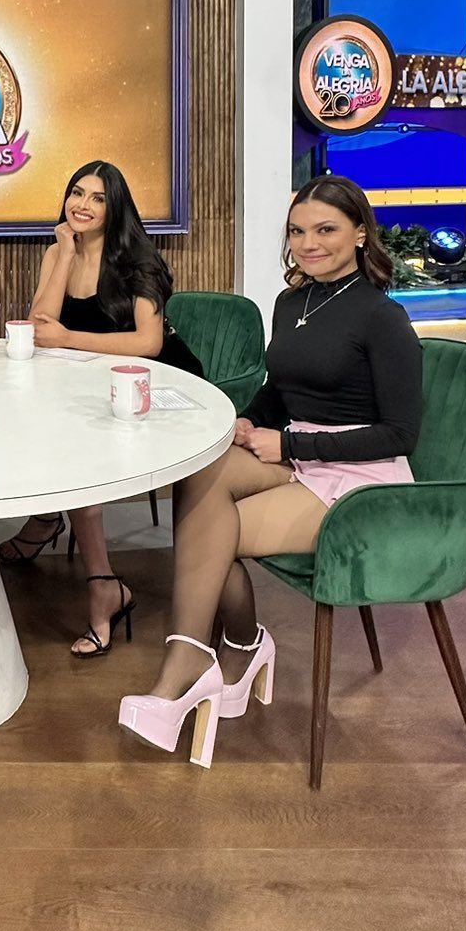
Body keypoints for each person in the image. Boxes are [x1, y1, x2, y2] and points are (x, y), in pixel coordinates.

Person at [118, 175, 422, 768]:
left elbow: (400, 434)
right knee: (199, 476)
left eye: (326, 230)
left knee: (214, 533)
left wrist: (287, 443)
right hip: (299, 452)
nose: (309, 244)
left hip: (359, 473)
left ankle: (196, 661)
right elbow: (278, 390)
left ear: (361, 233)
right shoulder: (291, 302)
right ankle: (239, 644)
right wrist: (248, 419)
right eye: (298, 231)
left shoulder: (382, 317)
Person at [0, 160, 201, 660]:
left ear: (115, 207)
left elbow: (149, 343)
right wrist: (65, 252)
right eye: (76, 193)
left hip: (158, 386)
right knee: (40, 425)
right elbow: (41, 325)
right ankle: (57, 527)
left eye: (97, 198)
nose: (82, 205)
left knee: (77, 456)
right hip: (96, 383)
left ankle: (95, 579)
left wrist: (68, 338)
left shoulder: (138, 259)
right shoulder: (58, 250)